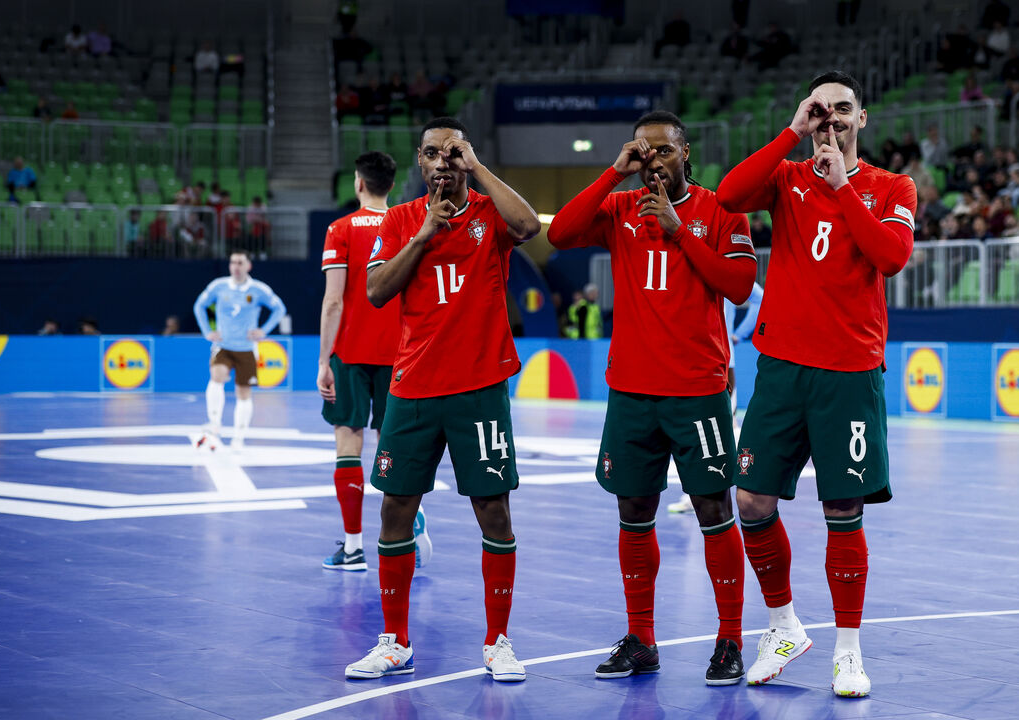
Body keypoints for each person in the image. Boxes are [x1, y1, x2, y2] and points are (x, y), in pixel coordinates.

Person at [716, 70, 915, 697]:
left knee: (843, 509)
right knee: (749, 500)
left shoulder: (891, 186)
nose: (830, 120)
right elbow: (727, 195)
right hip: (781, 367)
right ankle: (782, 625)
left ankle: (848, 651)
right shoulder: (786, 177)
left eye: (842, 110)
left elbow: (891, 256)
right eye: (819, 110)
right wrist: (790, 134)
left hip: (850, 373)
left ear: (862, 119)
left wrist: (842, 189)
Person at [547, 111, 757, 686]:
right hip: (632, 393)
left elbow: (739, 286)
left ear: (685, 153)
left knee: (715, 512)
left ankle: (730, 640)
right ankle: (642, 638)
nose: (653, 162)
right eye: (643, 152)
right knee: (633, 513)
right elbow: (559, 234)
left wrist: (678, 228)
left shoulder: (721, 211)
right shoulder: (619, 209)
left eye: (663, 151)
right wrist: (613, 173)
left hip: (698, 392)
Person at [345, 117, 540, 682]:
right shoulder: (403, 219)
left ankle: (498, 641)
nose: (443, 162)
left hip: (479, 389)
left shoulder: (489, 215)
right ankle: (395, 640)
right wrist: (424, 234)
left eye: (453, 154)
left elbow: (529, 225)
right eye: (433, 153)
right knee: (394, 509)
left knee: (494, 511)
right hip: (412, 388)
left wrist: (476, 167)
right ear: (420, 162)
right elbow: (377, 291)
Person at [318, 151, 431, 573]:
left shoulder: (341, 228)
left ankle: (352, 548)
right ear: (391, 183)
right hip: (401, 353)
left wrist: (323, 360)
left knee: (349, 443)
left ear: (358, 183)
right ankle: (407, 526)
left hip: (351, 351)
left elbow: (333, 302)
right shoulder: (408, 222)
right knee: (394, 446)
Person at [670, 279, 763, 514]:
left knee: (715, 428)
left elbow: (760, 298)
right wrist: (738, 334)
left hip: (712, 359)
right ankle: (727, 488)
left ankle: (738, 485)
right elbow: (759, 298)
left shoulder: (715, 267)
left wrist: (738, 334)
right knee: (717, 427)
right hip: (716, 356)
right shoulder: (722, 268)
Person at [191, 249, 287, 451]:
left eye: (240, 262)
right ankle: (215, 423)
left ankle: (238, 438)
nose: (236, 266)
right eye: (233, 262)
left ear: (248, 266)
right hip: (223, 345)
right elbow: (199, 305)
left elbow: (279, 309)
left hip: (246, 348)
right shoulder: (219, 286)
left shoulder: (258, 289)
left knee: (244, 393)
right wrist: (207, 331)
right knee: (217, 376)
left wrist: (264, 330)